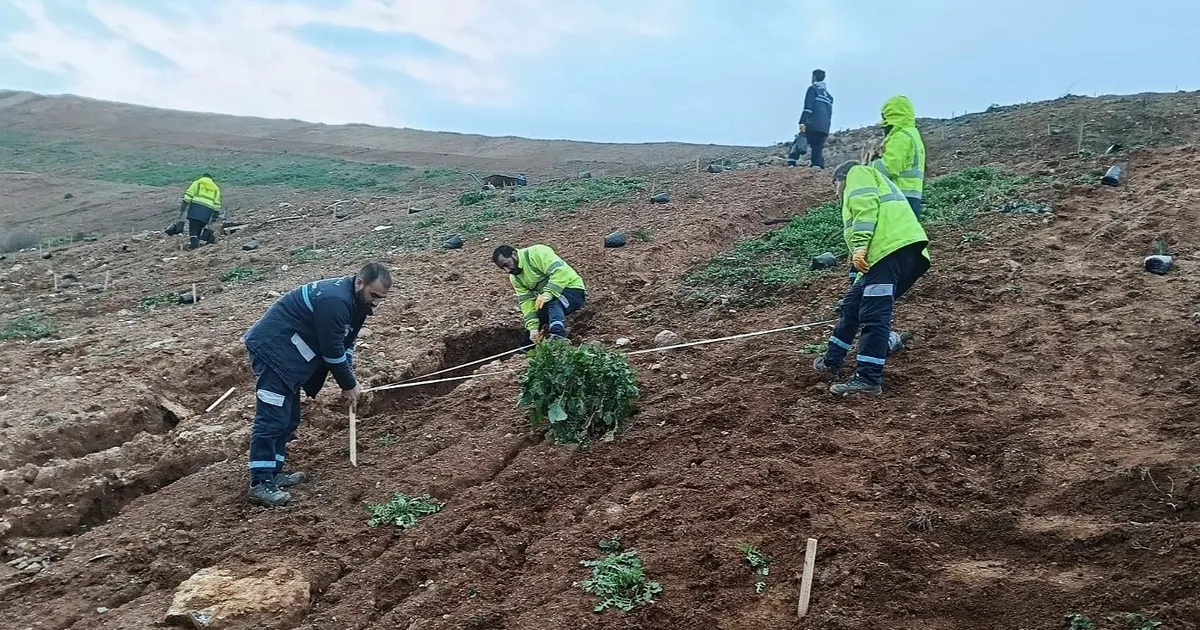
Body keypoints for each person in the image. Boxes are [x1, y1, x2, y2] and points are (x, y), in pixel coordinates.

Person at [241, 262, 392, 506]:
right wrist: (348, 384)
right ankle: (260, 483)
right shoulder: (335, 301)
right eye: (374, 296)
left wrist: (349, 377)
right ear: (359, 282)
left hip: (290, 358)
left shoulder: (358, 304)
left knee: (289, 419)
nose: (376, 303)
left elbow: (346, 344)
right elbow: (332, 351)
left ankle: (273, 473)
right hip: (273, 352)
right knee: (272, 418)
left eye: (381, 298)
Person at [814, 156, 931, 396]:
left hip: (889, 251)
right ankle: (831, 361)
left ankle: (868, 378)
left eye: (834, 185)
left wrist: (859, 246)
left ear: (841, 178)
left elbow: (865, 207)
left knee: (873, 315)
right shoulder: (873, 179)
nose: (836, 192)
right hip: (893, 254)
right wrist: (857, 281)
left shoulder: (857, 173)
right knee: (853, 305)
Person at [492, 244, 585, 343]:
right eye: (503, 268)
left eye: (507, 264)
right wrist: (533, 328)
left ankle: (558, 336)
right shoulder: (515, 278)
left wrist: (548, 293)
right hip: (549, 298)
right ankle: (524, 352)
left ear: (514, 254)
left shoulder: (537, 252)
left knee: (553, 302)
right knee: (536, 322)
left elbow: (560, 271)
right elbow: (526, 302)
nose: (507, 270)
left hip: (573, 290)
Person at [871, 96, 926, 217]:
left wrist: (869, 166)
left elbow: (888, 168)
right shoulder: (912, 134)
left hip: (899, 196)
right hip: (912, 197)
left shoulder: (900, 137)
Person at [794, 69, 834, 168]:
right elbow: (829, 113)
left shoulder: (812, 89)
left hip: (812, 123)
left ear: (814, 77)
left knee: (800, 140)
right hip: (824, 127)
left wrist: (802, 121)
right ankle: (817, 166)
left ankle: (791, 163)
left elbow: (808, 107)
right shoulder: (829, 97)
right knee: (817, 147)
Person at [180, 173, 222, 249]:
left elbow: (187, 197)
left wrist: (182, 210)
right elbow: (217, 205)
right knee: (199, 227)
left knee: (193, 228)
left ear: (202, 177)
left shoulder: (197, 183)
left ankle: (194, 245)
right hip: (207, 211)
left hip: (195, 208)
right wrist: (214, 217)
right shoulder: (216, 188)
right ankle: (197, 243)